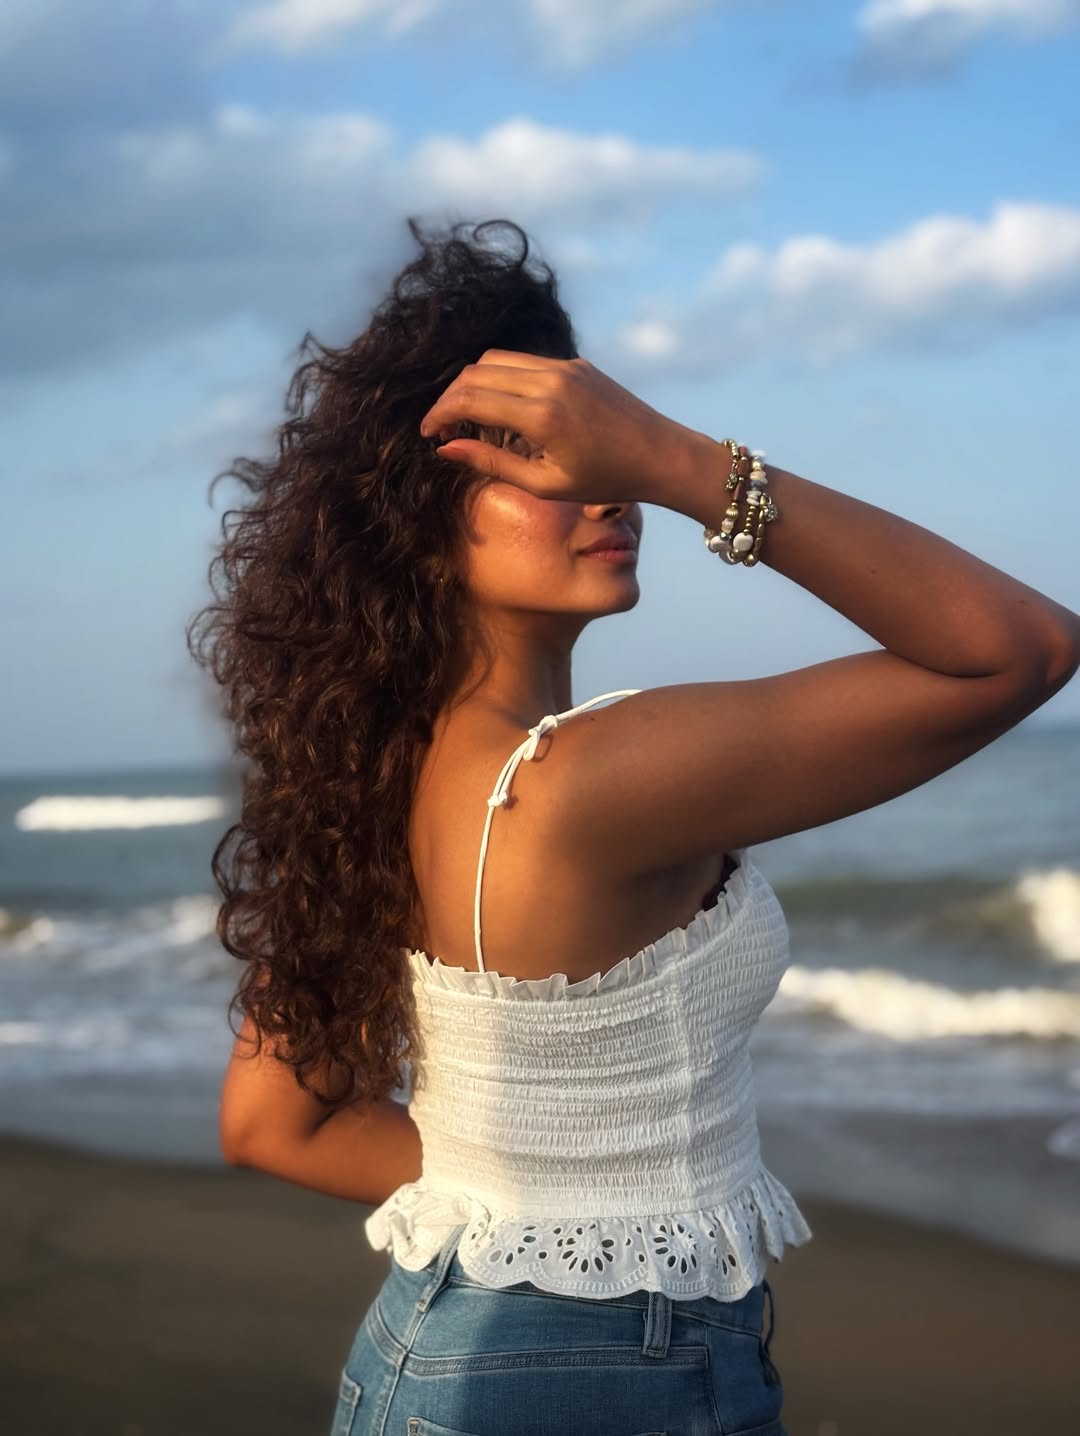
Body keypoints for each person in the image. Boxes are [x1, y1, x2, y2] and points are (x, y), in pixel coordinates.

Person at [195, 217, 1080, 1435]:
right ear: (417, 516)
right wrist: (678, 458)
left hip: (433, 1356)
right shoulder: (585, 780)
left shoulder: (375, 776)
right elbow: (1017, 649)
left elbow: (272, 1120)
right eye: (536, 453)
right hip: (590, 1375)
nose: (601, 482)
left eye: (592, 438)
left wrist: (533, 1188)